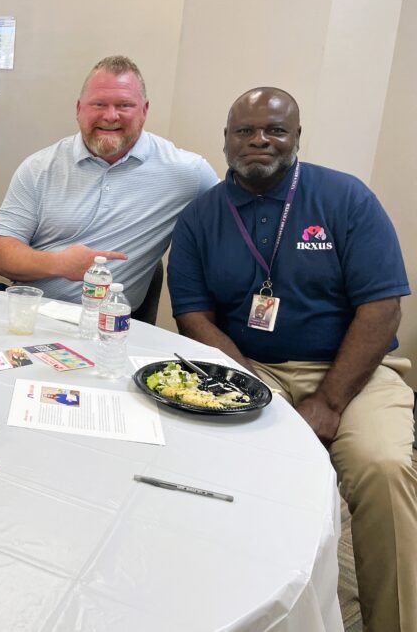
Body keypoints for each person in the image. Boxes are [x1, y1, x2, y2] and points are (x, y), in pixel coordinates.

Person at [167, 87, 415, 632]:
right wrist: (251, 383)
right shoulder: (200, 217)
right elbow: (193, 316)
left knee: (385, 466)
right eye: (245, 131)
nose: (259, 140)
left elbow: (382, 310)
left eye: (275, 130)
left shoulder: (346, 199)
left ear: (297, 137)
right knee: (243, 463)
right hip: (249, 365)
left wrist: (330, 401)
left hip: (355, 369)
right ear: (226, 139)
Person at [0, 55, 217, 312]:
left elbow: (232, 210)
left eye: (124, 105)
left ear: (145, 110)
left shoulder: (187, 173)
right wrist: (60, 263)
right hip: (29, 313)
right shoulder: (39, 167)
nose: (110, 116)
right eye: (98, 104)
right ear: (78, 109)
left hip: (107, 327)